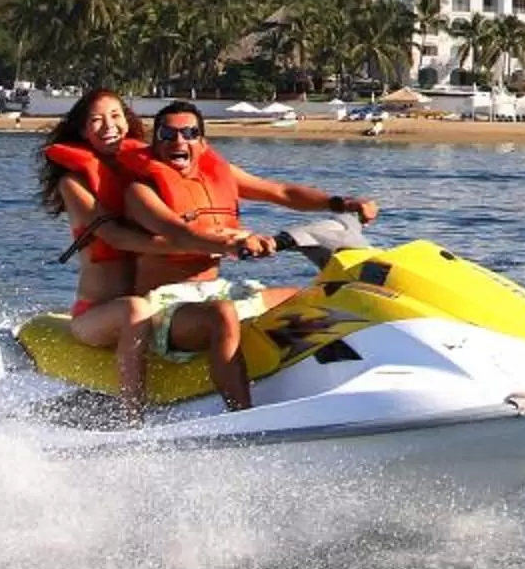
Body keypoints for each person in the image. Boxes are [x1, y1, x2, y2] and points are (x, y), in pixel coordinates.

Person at [117, 99, 379, 411]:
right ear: (155, 140)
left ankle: (333, 385)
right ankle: (242, 417)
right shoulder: (140, 190)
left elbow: (281, 192)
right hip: (164, 307)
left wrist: (342, 203)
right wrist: (232, 244)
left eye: (189, 133)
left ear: (202, 143)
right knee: (222, 315)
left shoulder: (218, 173)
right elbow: (177, 232)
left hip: (216, 290)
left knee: (319, 299)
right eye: (168, 134)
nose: (179, 141)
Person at [35, 88, 167, 413]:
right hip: (94, 314)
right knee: (134, 310)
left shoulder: (148, 172)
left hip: (155, 303)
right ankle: (132, 417)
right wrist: (180, 241)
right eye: (96, 120)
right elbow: (114, 235)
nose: (108, 125)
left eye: (115, 116)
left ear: (128, 121)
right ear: (82, 131)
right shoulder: (73, 183)